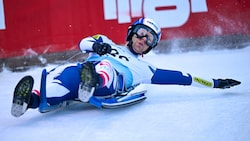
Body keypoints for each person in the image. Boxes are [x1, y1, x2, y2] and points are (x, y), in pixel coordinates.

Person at [11, 17, 241, 117]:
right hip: (84, 72)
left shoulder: (146, 69)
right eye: (141, 34)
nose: (143, 40)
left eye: (149, 39)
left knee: (104, 68)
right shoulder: (107, 42)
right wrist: (97, 46)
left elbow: (183, 77)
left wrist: (215, 83)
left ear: (151, 46)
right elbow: (84, 42)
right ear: (131, 33)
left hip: (110, 83)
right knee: (64, 74)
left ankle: (92, 81)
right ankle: (28, 101)